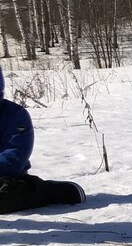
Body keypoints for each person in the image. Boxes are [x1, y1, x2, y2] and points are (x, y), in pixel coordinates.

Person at [0, 65, 85, 214]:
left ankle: (47, 191)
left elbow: (14, 157)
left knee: (4, 198)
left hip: (7, 178)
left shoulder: (15, 115)